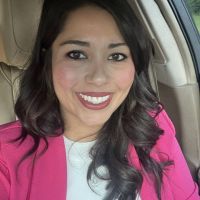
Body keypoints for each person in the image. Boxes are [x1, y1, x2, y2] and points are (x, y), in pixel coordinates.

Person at [0, 0, 199, 199]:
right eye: (76, 54)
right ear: (48, 60)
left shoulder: (152, 125)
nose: (98, 78)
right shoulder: (5, 158)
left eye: (117, 56)